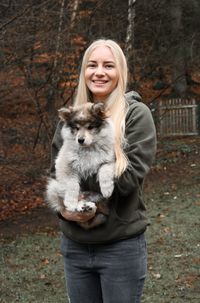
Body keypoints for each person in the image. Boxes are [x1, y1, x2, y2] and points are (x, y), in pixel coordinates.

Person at [49, 39, 157, 303]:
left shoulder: (136, 114)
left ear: (120, 72)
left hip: (120, 247)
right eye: (92, 65)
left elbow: (127, 181)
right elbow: (57, 172)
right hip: (75, 246)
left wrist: (83, 172)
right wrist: (65, 209)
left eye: (108, 65)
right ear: (83, 71)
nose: (99, 72)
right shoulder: (72, 116)